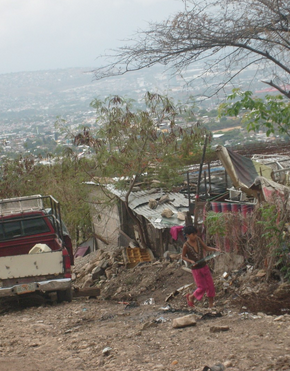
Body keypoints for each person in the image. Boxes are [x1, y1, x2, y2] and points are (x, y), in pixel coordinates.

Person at [182, 225, 220, 308]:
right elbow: (183, 256)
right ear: (187, 235)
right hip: (195, 269)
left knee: (210, 285)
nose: (195, 236)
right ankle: (191, 297)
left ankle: (211, 305)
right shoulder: (186, 246)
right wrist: (191, 261)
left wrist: (214, 249)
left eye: (195, 234)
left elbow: (206, 248)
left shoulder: (198, 240)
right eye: (193, 235)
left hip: (204, 266)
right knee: (202, 287)